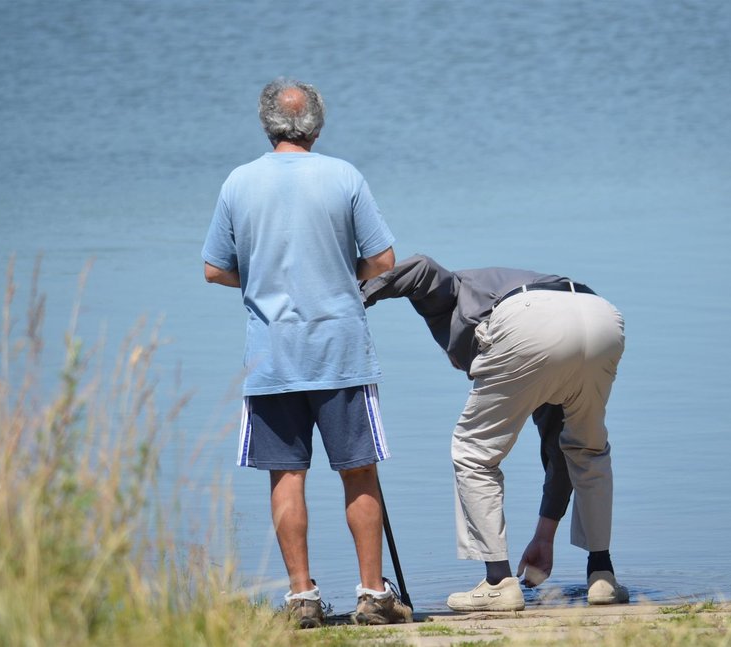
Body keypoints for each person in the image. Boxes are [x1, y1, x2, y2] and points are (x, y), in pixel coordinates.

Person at [201, 77, 412, 628]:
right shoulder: (343, 175)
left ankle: (302, 598)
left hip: (270, 354)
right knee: (358, 472)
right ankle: (372, 593)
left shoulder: (238, 182)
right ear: (316, 124)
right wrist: (345, 274)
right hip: (340, 347)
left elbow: (214, 268)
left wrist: (262, 278)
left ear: (267, 122)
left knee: (285, 475)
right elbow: (384, 259)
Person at [361, 254, 629, 610]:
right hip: (599, 316)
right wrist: (543, 536)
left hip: (528, 318)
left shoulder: (455, 292)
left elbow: (421, 268)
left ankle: (498, 582)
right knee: (586, 448)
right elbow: (559, 452)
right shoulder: (498, 290)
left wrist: (353, 295)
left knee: (473, 451)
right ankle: (602, 576)